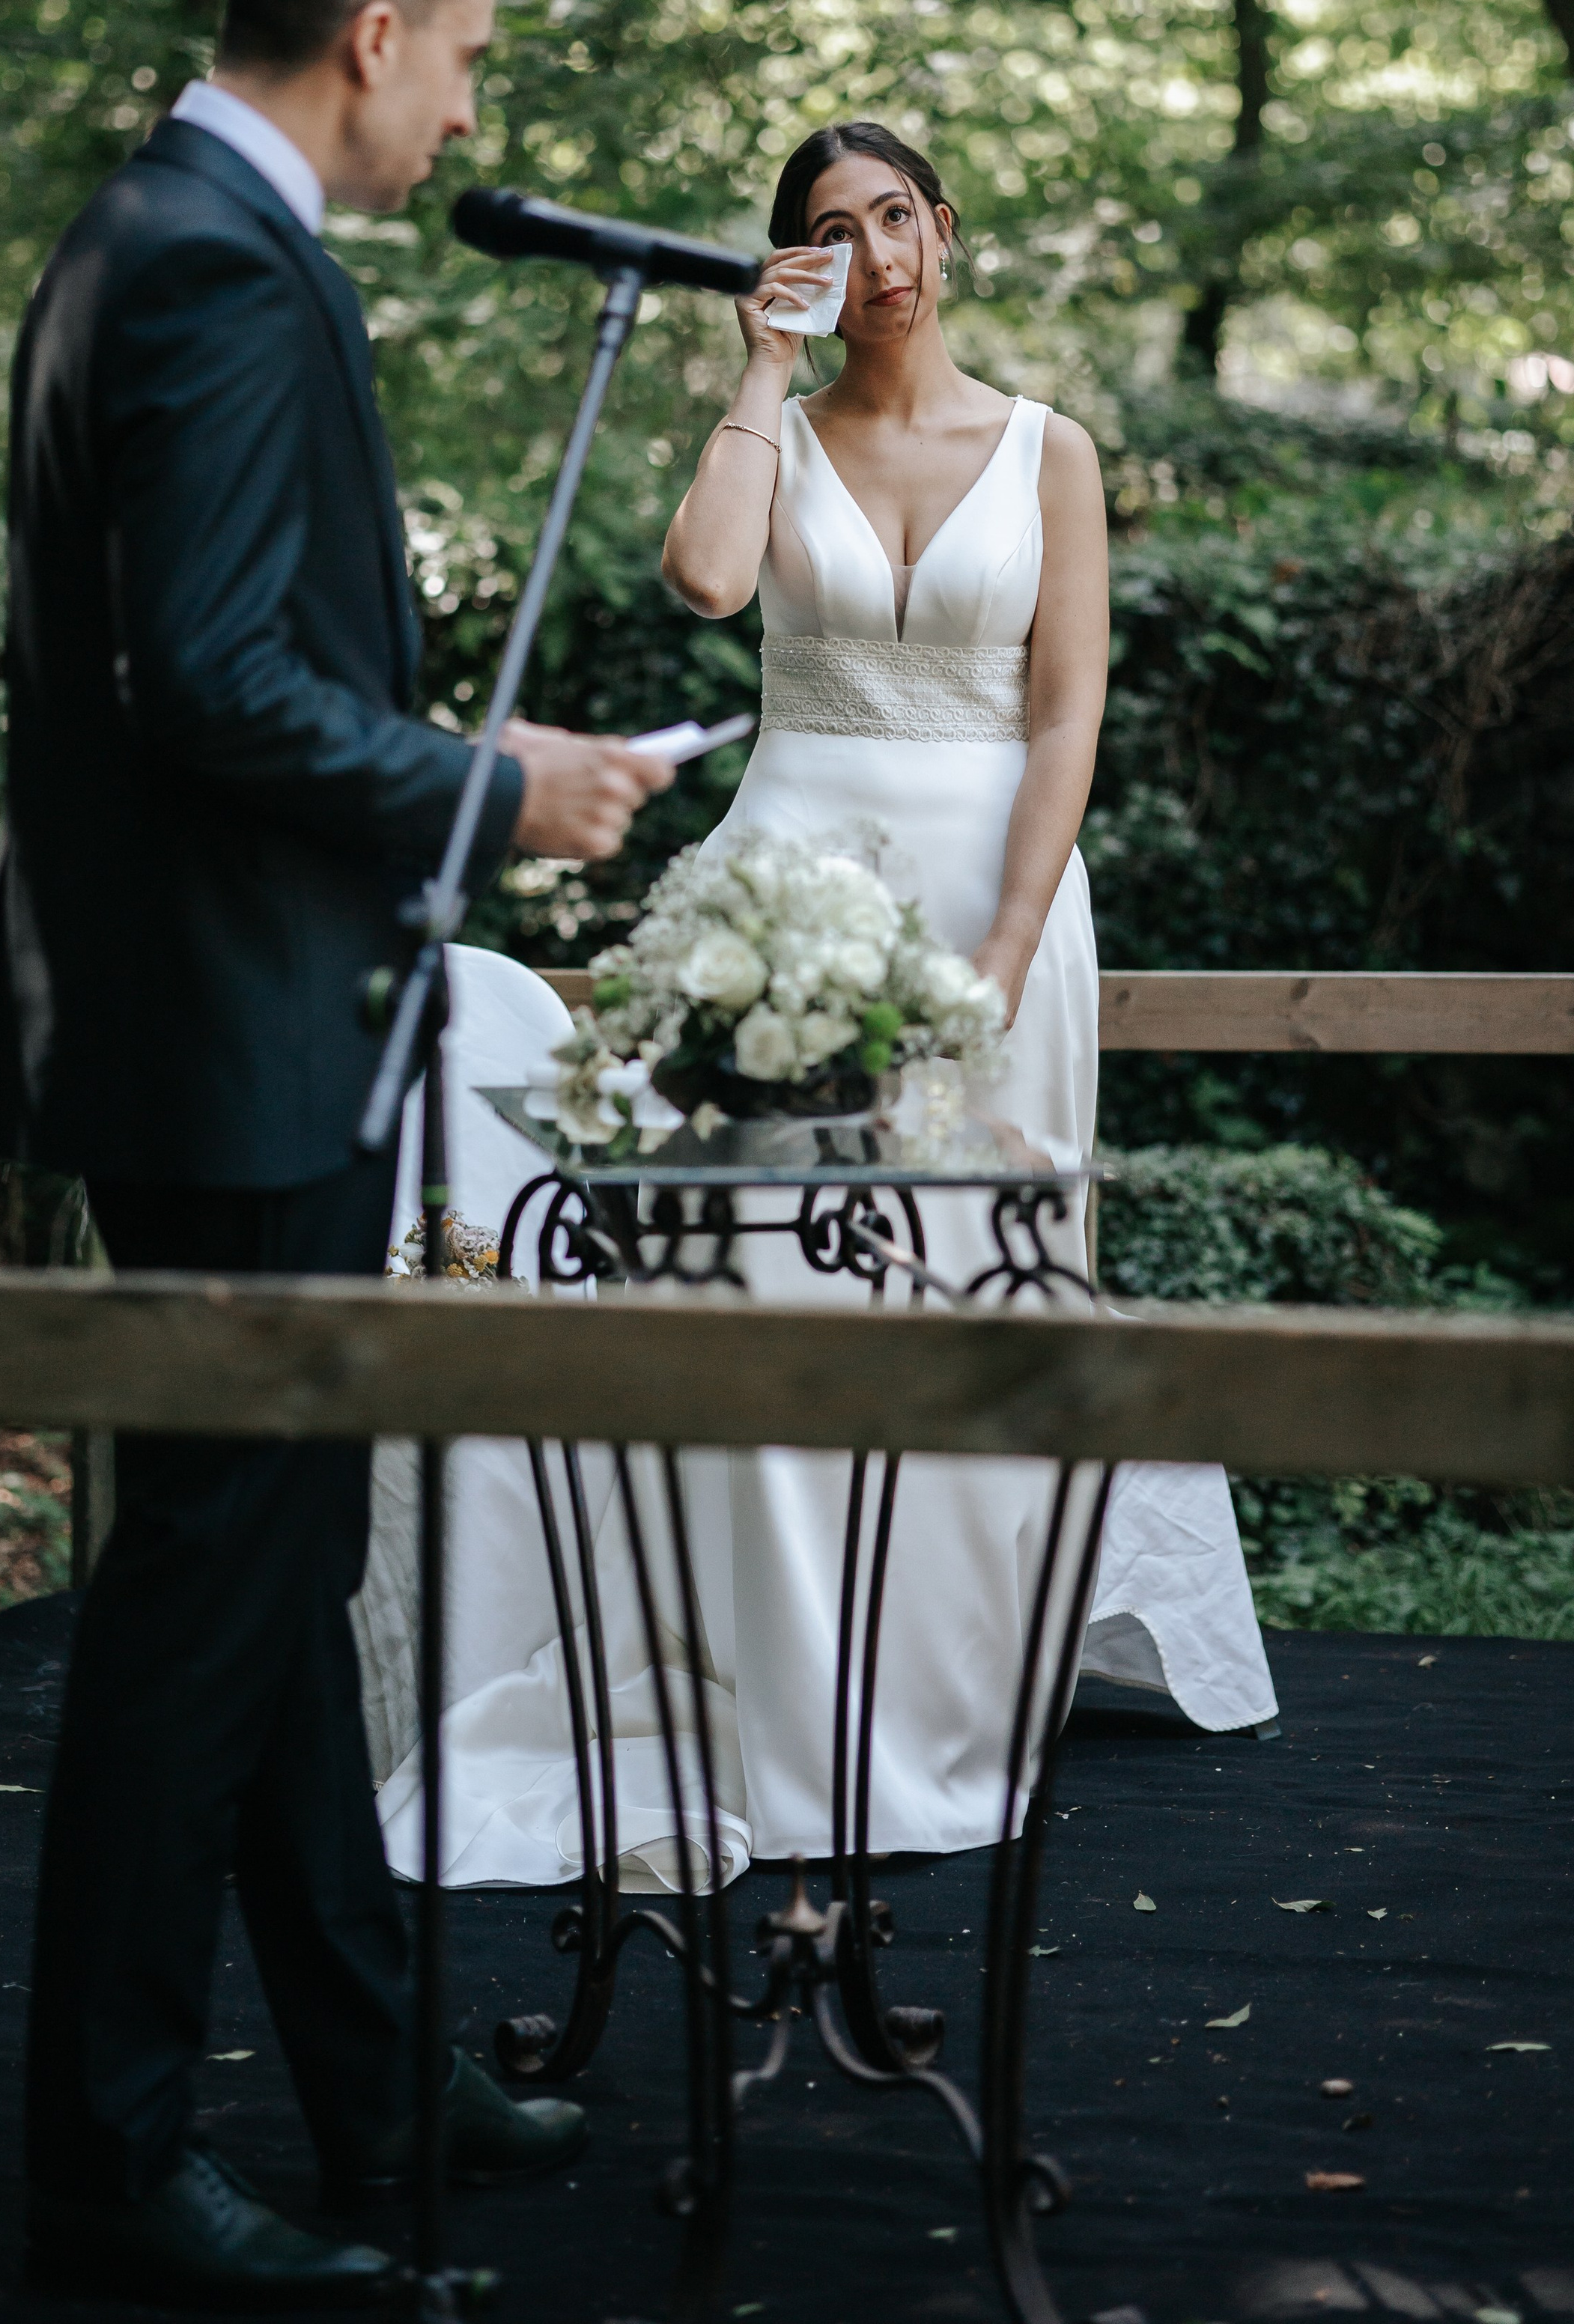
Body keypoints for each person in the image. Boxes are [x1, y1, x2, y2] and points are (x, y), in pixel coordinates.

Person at [0, 0, 672, 2311]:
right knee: (200, 1607)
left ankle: (370, 2083)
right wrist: (498, 794)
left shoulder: (147, 231)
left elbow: (211, 667)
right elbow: (209, 686)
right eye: (462, 57)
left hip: (219, 1025)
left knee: (274, 1577)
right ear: (373, 36)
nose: (467, 112)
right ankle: (111, 2157)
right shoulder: (216, 267)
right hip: (238, 1038)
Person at [353, 121, 1272, 1902]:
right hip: (782, 903)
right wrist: (758, 369)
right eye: (833, 232)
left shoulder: (1050, 451)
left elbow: (1065, 713)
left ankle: (950, 1691)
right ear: (798, 262)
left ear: (945, 226)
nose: (877, 255)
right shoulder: (775, 427)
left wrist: (1004, 947)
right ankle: (775, 1685)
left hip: (997, 903)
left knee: (973, 1287)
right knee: (772, 1281)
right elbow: (706, 580)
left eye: (896, 217)